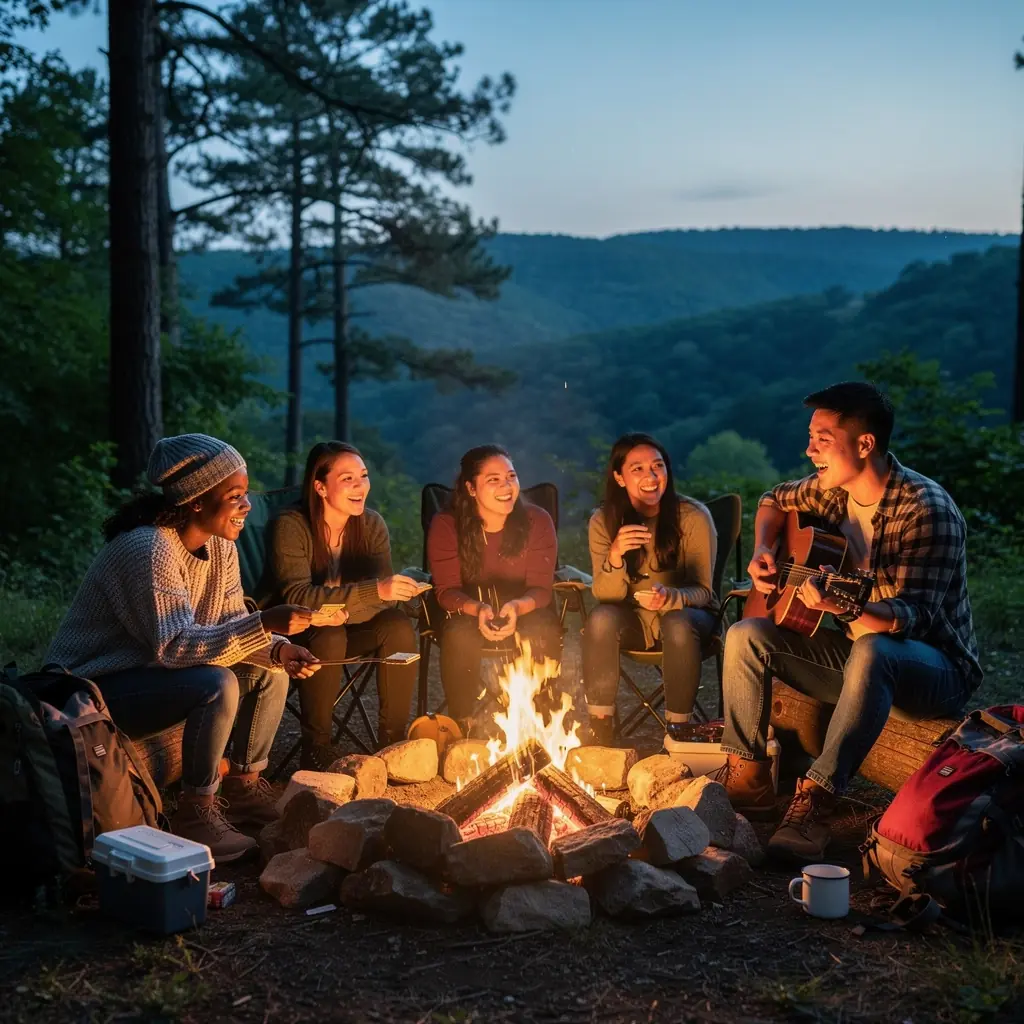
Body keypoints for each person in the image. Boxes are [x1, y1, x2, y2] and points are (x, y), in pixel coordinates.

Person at [717, 382, 981, 863]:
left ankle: (819, 800)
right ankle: (747, 779)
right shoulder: (834, 494)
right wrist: (762, 549)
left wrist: (845, 609)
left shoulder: (927, 510)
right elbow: (774, 499)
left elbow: (912, 618)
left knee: (873, 649)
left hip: (934, 670)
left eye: (822, 438)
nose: (808, 448)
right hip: (864, 658)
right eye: (810, 436)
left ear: (864, 444)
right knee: (746, 635)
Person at [47, 434, 320, 862]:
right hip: (90, 692)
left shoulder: (221, 547)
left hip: (151, 676)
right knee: (217, 682)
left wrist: (278, 648)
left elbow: (231, 624)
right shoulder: (149, 547)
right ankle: (197, 812)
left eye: (246, 494)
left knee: (270, 669)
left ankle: (244, 789)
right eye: (235, 496)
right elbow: (175, 647)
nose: (247, 505)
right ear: (196, 502)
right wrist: (264, 622)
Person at [257, 441, 421, 769]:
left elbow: (383, 602)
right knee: (328, 635)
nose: (361, 485)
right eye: (348, 479)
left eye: (363, 475)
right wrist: (370, 594)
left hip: (351, 627)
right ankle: (316, 747)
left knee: (397, 626)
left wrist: (348, 607)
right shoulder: (290, 524)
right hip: (293, 637)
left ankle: (393, 740)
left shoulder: (371, 525)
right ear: (320, 486)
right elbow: (298, 598)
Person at [583, 433, 719, 750]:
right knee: (601, 618)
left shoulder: (693, 517)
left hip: (688, 620)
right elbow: (606, 595)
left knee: (677, 623)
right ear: (619, 477)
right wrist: (615, 555)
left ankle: (679, 732)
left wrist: (673, 598)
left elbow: (705, 592)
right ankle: (600, 730)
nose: (651, 477)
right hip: (632, 621)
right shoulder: (603, 522)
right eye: (638, 469)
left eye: (658, 466)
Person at [427, 444, 561, 733]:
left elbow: (541, 588)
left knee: (542, 628)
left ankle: (540, 724)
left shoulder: (537, 520)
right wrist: (479, 609)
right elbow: (446, 591)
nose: (507, 486)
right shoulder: (447, 524)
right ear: (471, 488)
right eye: (494, 480)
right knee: (459, 633)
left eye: (511, 477)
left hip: (525, 608)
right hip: (465, 611)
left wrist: (515, 607)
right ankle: (463, 726)